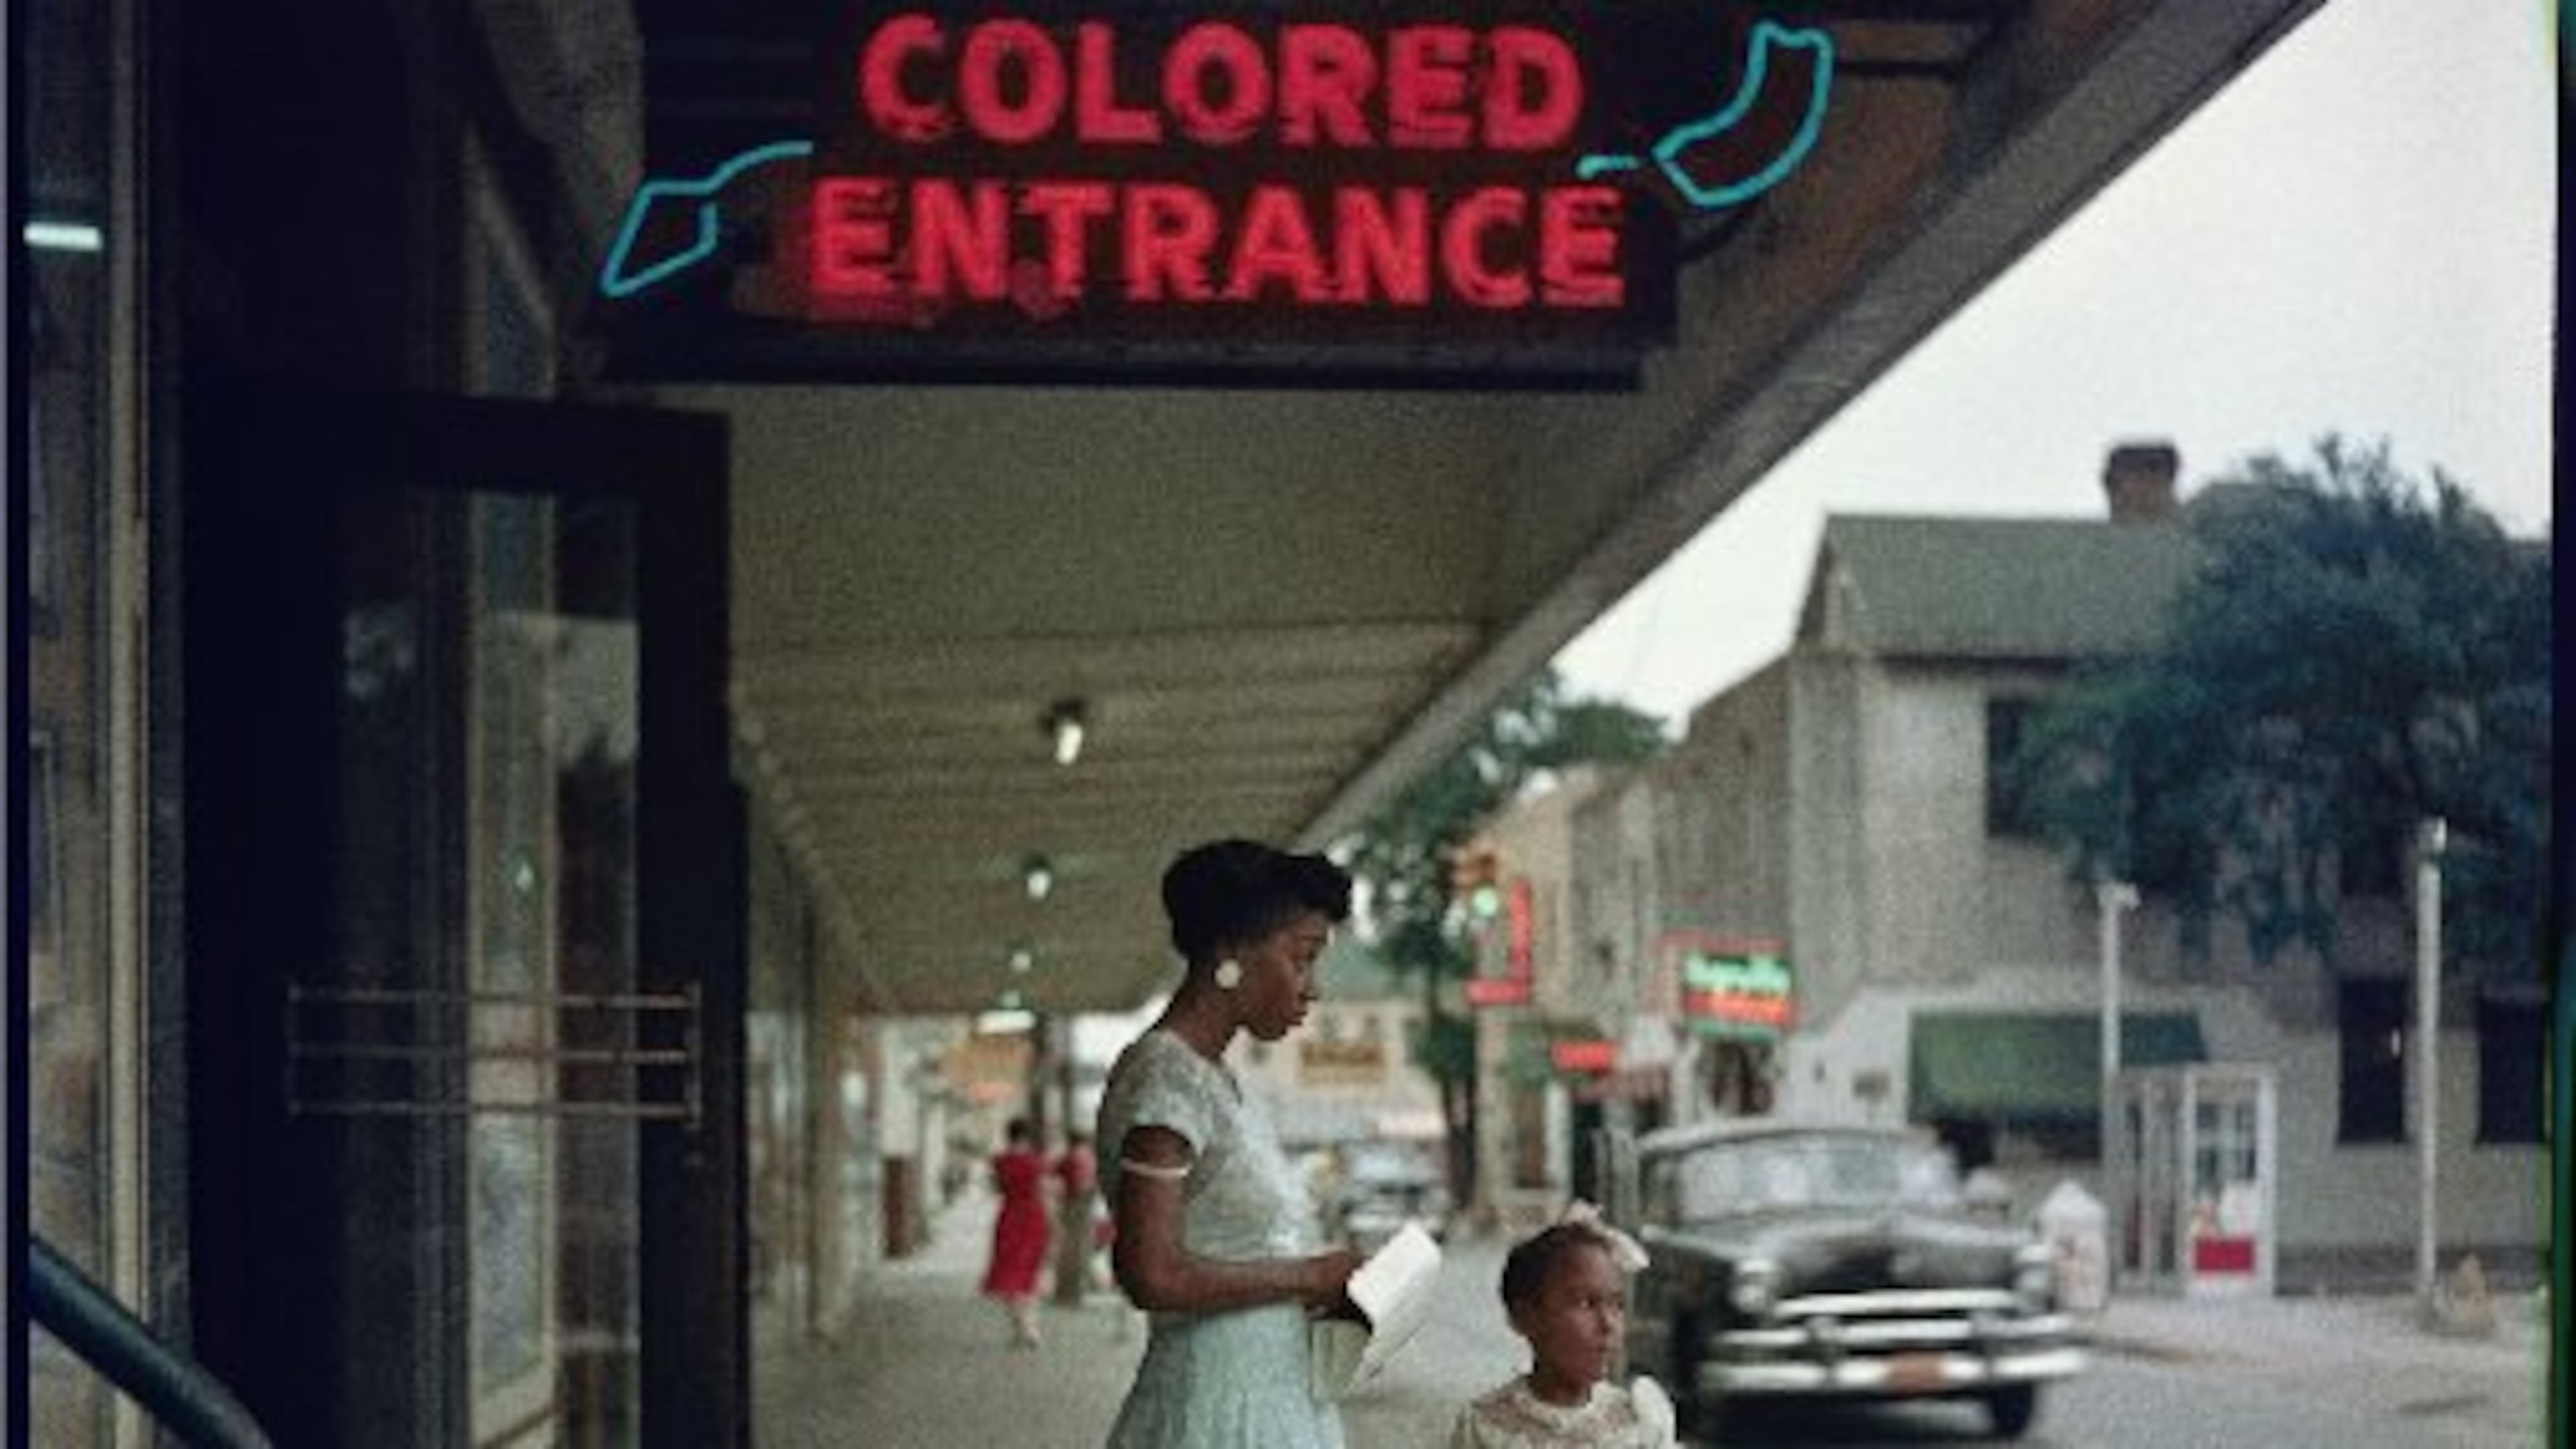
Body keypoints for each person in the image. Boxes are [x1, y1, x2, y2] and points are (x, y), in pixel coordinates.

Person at [1095, 839, 1366, 1448]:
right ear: (1229, 952)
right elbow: (1150, 1272)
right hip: (1217, 1408)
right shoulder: (1166, 1078)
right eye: (1301, 958)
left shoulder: (1219, 1081)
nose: (1311, 987)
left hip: (1272, 1395)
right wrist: (1309, 1276)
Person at [1449, 1207, 1677, 1449]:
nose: (1608, 1324)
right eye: (1585, 1303)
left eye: (1617, 1305)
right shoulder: (1485, 1426)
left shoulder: (1637, 1422)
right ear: (1524, 1317)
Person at [980, 1116, 1055, 1348]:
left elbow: (995, 1188)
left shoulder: (999, 1162)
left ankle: (1019, 1329)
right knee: (1030, 1274)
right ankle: (1031, 1329)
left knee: (1009, 1275)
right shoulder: (1036, 1162)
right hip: (1034, 1218)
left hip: (1010, 1217)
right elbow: (1045, 1190)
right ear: (1028, 1137)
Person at [1051, 1130, 1101, 1304]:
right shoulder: (1090, 1158)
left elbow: (1052, 1170)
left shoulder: (1071, 1157)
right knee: (1081, 1248)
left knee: (1070, 1249)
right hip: (1086, 1205)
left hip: (1073, 1205)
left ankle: (1067, 1292)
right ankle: (1078, 1292)